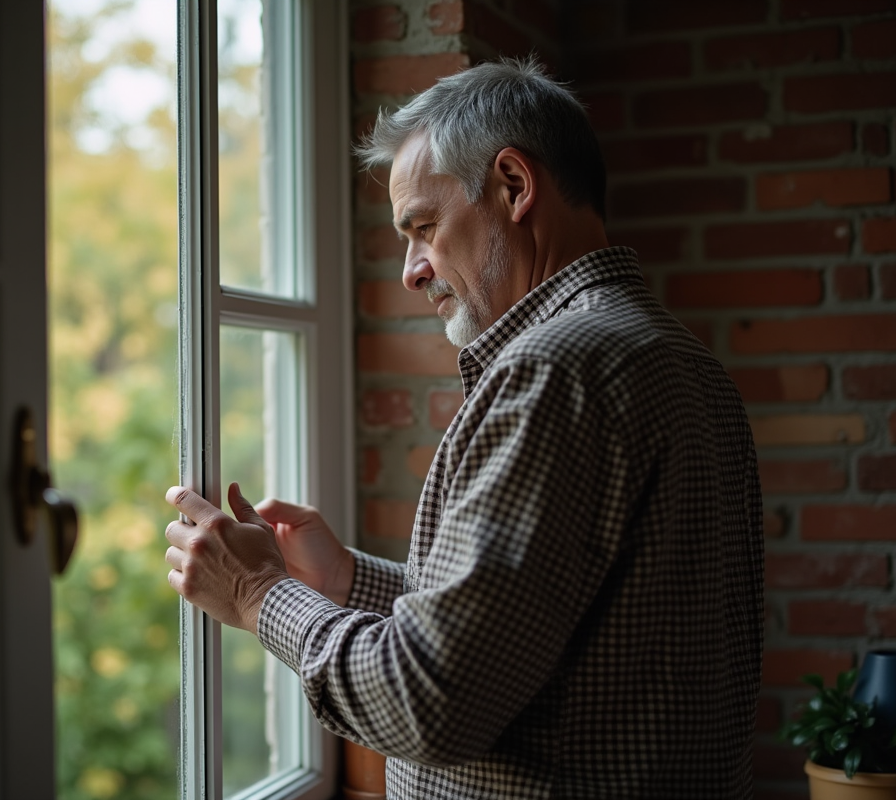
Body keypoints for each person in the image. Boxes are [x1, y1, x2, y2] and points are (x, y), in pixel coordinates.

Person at [164, 56, 763, 799]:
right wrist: (345, 582)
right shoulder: (677, 357)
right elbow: (534, 632)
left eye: (423, 227)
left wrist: (258, 593)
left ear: (514, 186)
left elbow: (429, 703)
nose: (412, 271)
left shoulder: (555, 372)